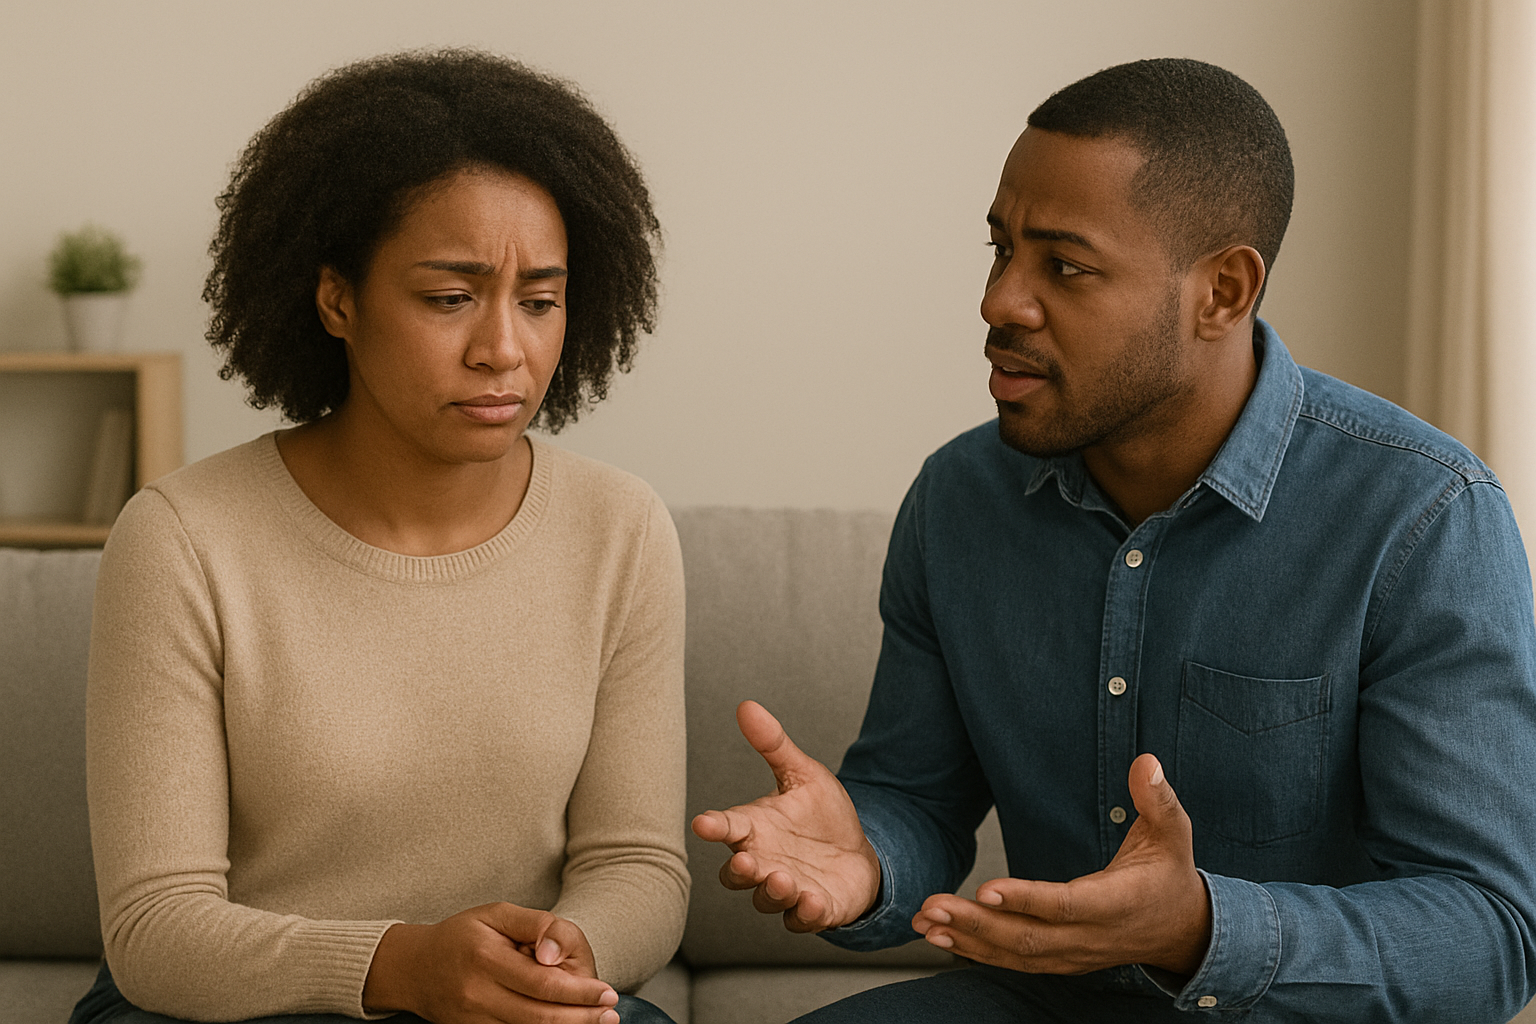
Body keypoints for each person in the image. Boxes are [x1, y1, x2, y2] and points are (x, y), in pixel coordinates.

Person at [693, 58, 1536, 1023]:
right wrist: (869, 850)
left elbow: (1491, 933)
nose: (1000, 301)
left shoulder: (1423, 516)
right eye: (999, 248)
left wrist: (1203, 928)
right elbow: (917, 800)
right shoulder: (961, 499)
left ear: (1222, 291)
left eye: (1065, 265)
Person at [73, 50, 685, 1024]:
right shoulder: (184, 538)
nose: (504, 349)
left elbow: (635, 862)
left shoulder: (621, 530)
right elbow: (157, 926)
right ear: (337, 300)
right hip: (237, 1005)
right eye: (450, 297)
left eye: (540, 299)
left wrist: (553, 960)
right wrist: (400, 966)